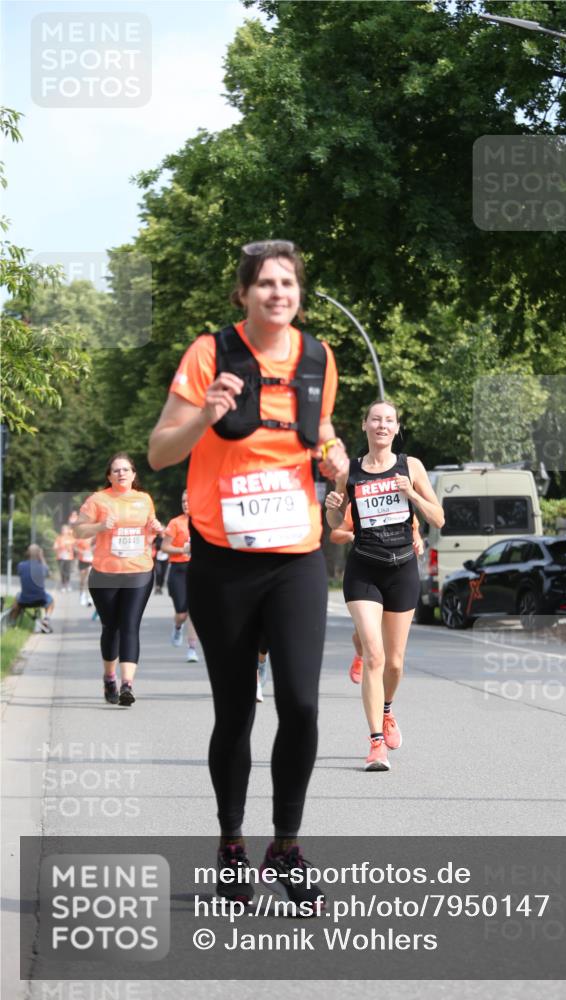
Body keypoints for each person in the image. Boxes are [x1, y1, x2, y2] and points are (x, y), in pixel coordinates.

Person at [148, 239, 348, 910]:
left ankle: (285, 845)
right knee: (234, 711)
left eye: (287, 282)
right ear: (243, 294)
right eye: (264, 283)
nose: (276, 293)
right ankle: (231, 844)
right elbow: (158, 452)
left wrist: (334, 461)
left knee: (301, 703)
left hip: (295, 557)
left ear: (298, 291)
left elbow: (320, 440)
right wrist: (205, 414)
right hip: (222, 560)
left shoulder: (319, 357)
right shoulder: (209, 354)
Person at [325, 399, 444, 772]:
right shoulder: (352, 471)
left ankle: (387, 710)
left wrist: (412, 494)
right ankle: (376, 743)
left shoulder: (412, 466)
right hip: (363, 570)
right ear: (365, 425)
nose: (382, 425)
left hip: (402, 569)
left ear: (396, 428)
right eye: (375, 419)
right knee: (374, 656)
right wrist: (331, 505)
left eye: (388, 420)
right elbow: (334, 522)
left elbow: (438, 517)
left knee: (394, 662)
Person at [73, 453, 162, 707]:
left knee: (130, 625)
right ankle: (109, 677)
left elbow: (147, 534)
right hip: (105, 573)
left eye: (126, 469)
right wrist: (100, 526)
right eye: (116, 470)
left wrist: (154, 529)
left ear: (134, 475)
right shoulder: (98, 500)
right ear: (109, 476)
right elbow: (78, 530)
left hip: (139, 571)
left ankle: (127, 685)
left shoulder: (144, 499)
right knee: (111, 628)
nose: (121, 473)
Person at [329, 502, 424, 684]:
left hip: (397, 575)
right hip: (366, 573)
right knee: (363, 636)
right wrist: (351, 535)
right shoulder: (358, 503)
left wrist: (417, 540)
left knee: (391, 655)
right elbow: (335, 534)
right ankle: (360, 655)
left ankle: (381, 694)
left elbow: (413, 529)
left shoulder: (398, 501)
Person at [162, 490, 199, 663]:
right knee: (182, 613)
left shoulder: (204, 522)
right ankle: (177, 626)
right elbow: (164, 547)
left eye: (189, 501)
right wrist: (182, 550)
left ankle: (192, 649)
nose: (185, 504)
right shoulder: (175, 523)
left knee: (194, 611)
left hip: (197, 569)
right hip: (178, 569)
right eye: (183, 501)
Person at [11, 545, 55, 632]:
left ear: (28, 553)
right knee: (51, 601)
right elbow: (49, 575)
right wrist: (42, 558)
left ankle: (12, 622)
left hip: (24, 600)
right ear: (39, 554)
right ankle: (46, 619)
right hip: (41, 599)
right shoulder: (43, 566)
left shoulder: (21, 565)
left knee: (17, 598)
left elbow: (20, 573)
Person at [53, 525, 75, 591]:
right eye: (63, 529)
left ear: (68, 530)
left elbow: (74, 545)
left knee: (67, 571)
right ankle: (63, 584)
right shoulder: (58, 538)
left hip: (68, 557)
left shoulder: (71, 538)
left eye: (65, 529)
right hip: (60, 557)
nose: (64, 531)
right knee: (62, 572)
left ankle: (67, 584)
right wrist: (60, 547)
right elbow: (54, 547)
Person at [75, 535, 94, 606]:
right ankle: (82, 595)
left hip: (91, 561)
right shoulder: (81, 538)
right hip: (82, 561)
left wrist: (93, 550)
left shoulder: (94, 537)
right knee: (82, 581)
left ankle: (89, 597)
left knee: (89, 580)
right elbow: (74, 547)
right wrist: (81, 551)